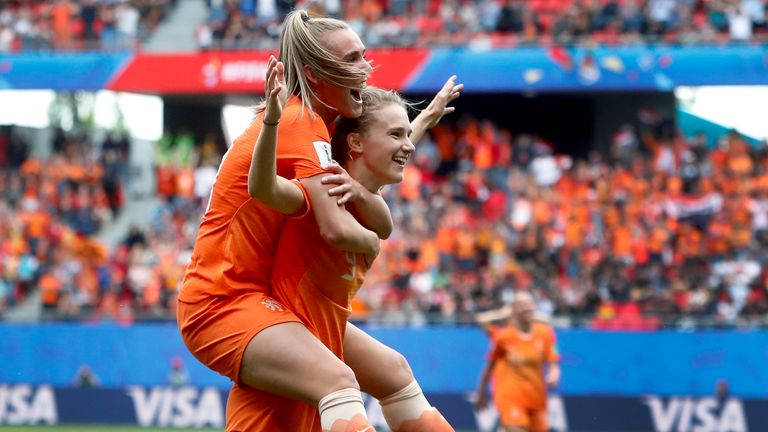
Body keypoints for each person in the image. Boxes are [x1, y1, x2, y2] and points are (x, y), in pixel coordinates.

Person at [177, 10, 461, 432]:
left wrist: (417, 125)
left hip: (273, 300)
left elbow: (369, 159)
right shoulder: (301, 123)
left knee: (393, 372)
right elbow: (336, 223)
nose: (366, 68)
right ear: (313, 75)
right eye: (352, 59)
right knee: (337, 381)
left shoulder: (318, 130)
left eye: (364, 55)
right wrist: (375, 239)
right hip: (226, 300)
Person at [475, 292, 561, 432]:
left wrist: (554, 373)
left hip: (536, 398)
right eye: (521, 304)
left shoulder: (545, 333)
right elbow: (489, 367)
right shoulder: (503, 336)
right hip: (511, 396)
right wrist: (481, 393)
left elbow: (553, 361)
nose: (526, 307)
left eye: (529, 303)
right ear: (513, 311)